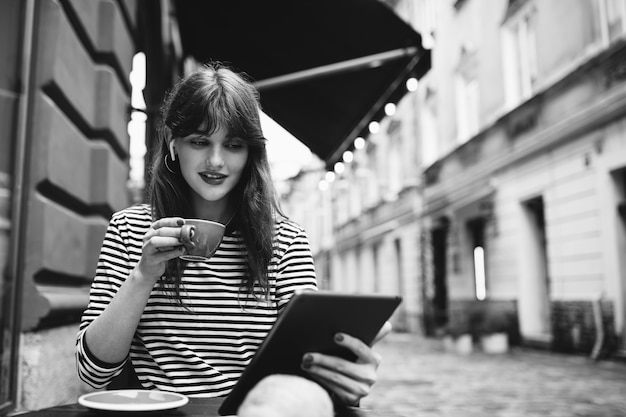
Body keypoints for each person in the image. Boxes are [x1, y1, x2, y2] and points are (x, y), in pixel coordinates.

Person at [75, 62, 390, 408]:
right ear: (172, 142)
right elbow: (92, 372)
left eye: (234, 145)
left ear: (251, 151)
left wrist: (345, 376)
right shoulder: (130, 230)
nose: (216, 161)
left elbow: (302, 364)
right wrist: (143, 274)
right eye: (199, 141)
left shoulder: (285, 240)